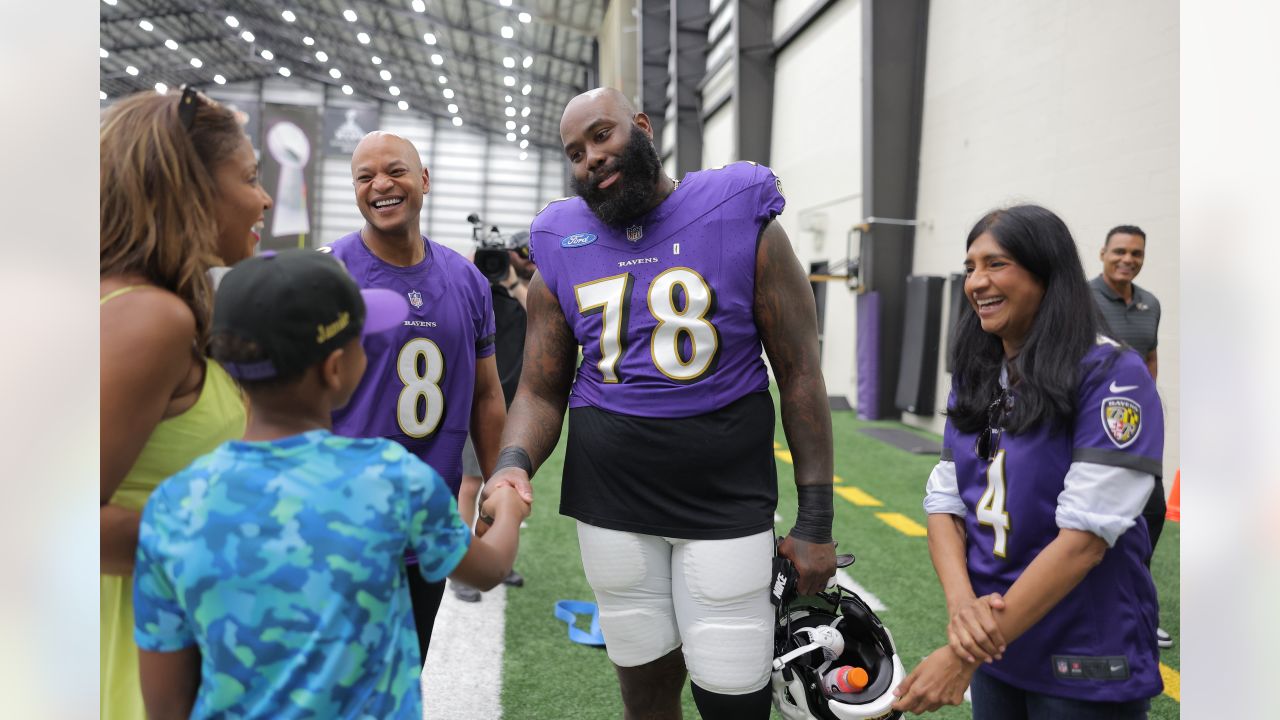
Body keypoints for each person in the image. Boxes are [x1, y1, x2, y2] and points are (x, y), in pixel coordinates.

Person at [481, 87, 838, 719]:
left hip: (724, 495)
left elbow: (801, 373)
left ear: (642, 126)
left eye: (601, 135)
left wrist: (815, 522)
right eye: (574, 151)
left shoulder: (736, 204)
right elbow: (540, 386)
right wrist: (512, 462)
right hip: (612, 500)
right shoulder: (560, 236)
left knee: (732, 693)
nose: (589, 158)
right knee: (644, 693)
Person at [131, 249, 528, 719]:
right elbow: (485, 570)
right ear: (335, 368)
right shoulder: (392, 479)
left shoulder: (175, 503)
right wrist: (508, 507)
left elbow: (165, 703)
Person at [892, 205, 1164, 717]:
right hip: (999, 646)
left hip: (1082, 655)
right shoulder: (979, 373)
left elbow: (1084, 541)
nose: (976, 281)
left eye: (996, 264)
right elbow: (944, 501)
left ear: (1046, 274)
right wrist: (963, 614)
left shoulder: (1113, 374)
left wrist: (962, 651)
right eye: (970, 266)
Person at [100, 87, 271, 719]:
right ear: (190, 189)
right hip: (129, 658)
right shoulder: (149, 317)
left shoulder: (141, 305)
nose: (264, 198)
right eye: (250, 178)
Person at [324, 131, 508, 662]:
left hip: (425, 529)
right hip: (339, 529)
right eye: (365, 177)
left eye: (396, 171)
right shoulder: (327, 274)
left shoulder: (468, 282)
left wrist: (495, 486)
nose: (381, 184)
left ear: (424, 180)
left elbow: (487, 396)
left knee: (403, 680)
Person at [1089, 224, 1172, 649]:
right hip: (1089, 427)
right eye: (1119, 251)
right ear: (1103, 252)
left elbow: (1150, 354)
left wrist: (1148, 402)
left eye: (1136, 253)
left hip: (1134, 429)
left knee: (1151, 511)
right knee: (1089, 523)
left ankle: (1136, 608)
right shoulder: (1081, 299)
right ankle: (1090, 608)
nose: (1128, 259)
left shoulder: (1149, 304)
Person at [453, 232, 535, 602]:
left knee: (504, 485)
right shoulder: (474, 285)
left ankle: (493, 556)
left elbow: (544, 316)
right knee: (471, 485)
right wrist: (473, 267)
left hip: (516, 401)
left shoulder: (530, 287)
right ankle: (461, 566)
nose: (526, 258)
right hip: (480, 397)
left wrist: (514, 282)